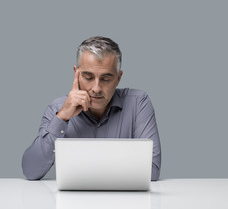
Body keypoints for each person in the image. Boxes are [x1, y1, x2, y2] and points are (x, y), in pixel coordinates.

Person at [22, 36, 161, 180]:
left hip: (125, 201)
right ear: (76, 73)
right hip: (71, 201)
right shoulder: (57, 108)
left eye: (106, 79)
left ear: (118, 78)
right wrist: (62, 117)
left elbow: (152, 171)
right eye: (88, 77)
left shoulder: (138, 103)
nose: (96, 88)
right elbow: (31, 171)